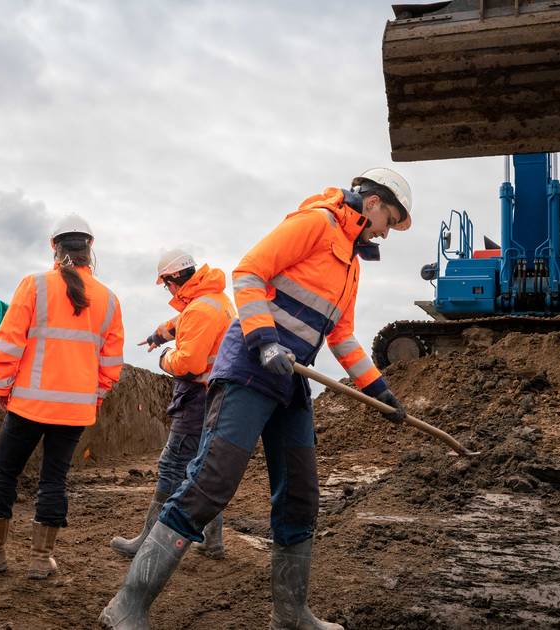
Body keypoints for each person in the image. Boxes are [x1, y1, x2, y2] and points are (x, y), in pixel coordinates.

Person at [99, 168, 414, 630]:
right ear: (372, 204)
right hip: (250, 366)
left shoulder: (350, 263)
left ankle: (290, 615)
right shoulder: (317, 223)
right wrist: (265, 341)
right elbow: (248, 272)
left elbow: (341, 335)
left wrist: (379, 390)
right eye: (391, 218)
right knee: (212, 481)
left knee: (301, 496)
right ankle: (127, 605)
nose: (388, 231)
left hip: (290, 381)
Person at [0, 213, 124, 580]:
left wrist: (3, 387)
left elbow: (9, 343)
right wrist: (94, 397)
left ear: (53, 246)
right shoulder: (109, 300)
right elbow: (111, 364)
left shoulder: (35, 285)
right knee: (53, 479)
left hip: (29, 403)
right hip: (75, 410)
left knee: (5, 473)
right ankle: (41, 559)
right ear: (90, 248)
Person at [109, 249, 234, 560]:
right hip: (216, 395)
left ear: (174, 279)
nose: (168, 290)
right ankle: (212, 540)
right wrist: (158, 336)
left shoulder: (201, 309)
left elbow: (189, 363)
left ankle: (148, 540)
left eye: (166, 284)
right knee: (201, 467)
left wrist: (165, 358)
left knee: (172, 465)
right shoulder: (213, 299)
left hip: (197, 396)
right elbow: (180, 322)